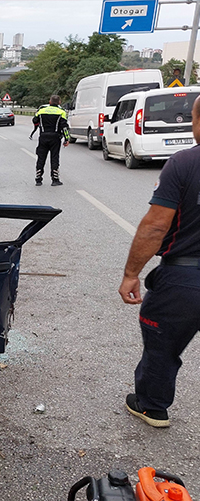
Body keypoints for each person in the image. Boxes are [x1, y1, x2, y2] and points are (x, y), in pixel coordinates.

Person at [118, 95, 200, 429]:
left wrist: (131, 274)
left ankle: (152, 407)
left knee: (162, 344)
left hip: (185, 279)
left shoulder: (184, 163)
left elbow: (155, 226)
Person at [31, 95, 69, 186]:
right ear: (59, 102)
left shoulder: (41, 110)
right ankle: (55, 179)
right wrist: (67, 138)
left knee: (41, 157)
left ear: (50, 102)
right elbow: (64, 127)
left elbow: (34, 120)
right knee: (54, 157)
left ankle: (38, 179)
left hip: (43, 137)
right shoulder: (61, 112)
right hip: (55, 137)